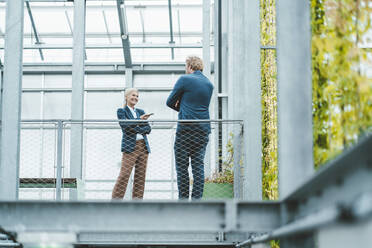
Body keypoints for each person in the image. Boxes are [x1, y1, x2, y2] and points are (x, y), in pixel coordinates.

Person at [166, 56, 214, 199]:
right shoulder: (209, 84)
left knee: (182, 168)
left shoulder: (185, 79)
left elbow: (169, 102)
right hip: (203, 130)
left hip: (186, 129)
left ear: (189, 66)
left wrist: (183, 107)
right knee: (198, 167)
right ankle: (196, 200)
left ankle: (183, 200)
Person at [112, 88, 152, 200]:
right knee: (124, 175)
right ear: (126, 97)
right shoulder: (121, 111)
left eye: (137, 96)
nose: (135, 98)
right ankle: (115, 202)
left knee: (140, 177)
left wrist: (134, 125)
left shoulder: (141, 111)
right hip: (130, 147)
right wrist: (139, 121)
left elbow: (148, 129)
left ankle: (137, 203)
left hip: (143, 147)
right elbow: (125, 127)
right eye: (133, 95)